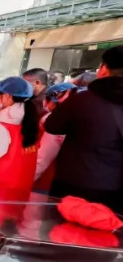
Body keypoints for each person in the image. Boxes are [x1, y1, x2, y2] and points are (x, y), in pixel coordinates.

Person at [43, 46, 123, 211]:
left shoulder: (82, 100)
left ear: (104, 69)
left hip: (74, 183)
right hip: (116, 189)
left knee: (59, 231)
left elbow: (52, 126)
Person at [33, 82, 76, 192]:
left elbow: (42, 159)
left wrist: (25, 180)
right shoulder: (70, 120)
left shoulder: (55, 124)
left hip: (43, 181)